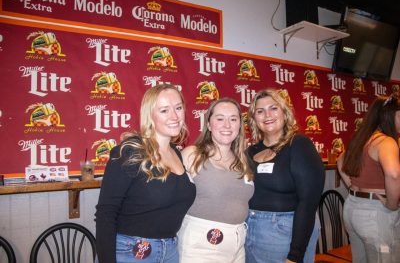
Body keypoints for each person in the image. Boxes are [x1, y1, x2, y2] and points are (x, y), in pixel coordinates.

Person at [95, 84, 196, 263]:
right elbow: (106, 212)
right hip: (132, 251)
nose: (174, 116)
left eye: (178, 108)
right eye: (164, 110)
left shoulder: (177, 152)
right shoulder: (129, 151)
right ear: (150, 114)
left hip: (170, 250)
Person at [244, 89, 325, 263]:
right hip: (249, 230)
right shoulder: (250, 152)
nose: (267, 115)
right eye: (260, 111)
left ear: (284, 112)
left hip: (285, 233)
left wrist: (295, 255)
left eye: (273, 108)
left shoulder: (299, 145)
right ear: (254, 119)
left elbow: (308, 203)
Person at [178, 98, 254, 263]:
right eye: (220, 119)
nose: (227, 125)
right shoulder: (192, 155)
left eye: (233, 119)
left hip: (238, 243)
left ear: (240, 125)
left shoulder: (243, 160)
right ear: (209, 124)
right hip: (200, 245)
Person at [337, 94, 400, 263]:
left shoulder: (363, 138)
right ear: (388, 116)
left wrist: (352, 186)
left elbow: (339, 160)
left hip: (352, 207)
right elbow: (394, 174)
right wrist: (392, 205)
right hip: (376, 213)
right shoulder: (386, 142)